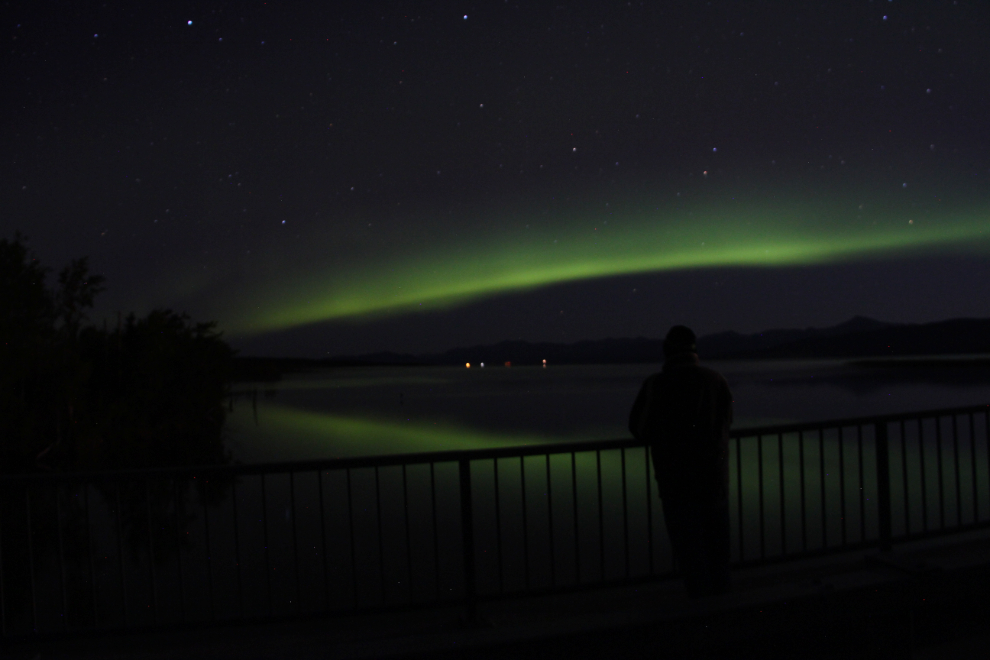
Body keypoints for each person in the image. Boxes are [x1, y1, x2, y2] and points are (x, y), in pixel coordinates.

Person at [629, 325, 733, 597]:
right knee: (717, 547)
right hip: (715, 478)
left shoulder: (657, 384)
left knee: (690, 550)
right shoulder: (716, 380)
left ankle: (701, 612)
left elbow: (639, 429)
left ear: (667, 351)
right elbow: (727, 422)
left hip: (677, 482)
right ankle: (723, 607)